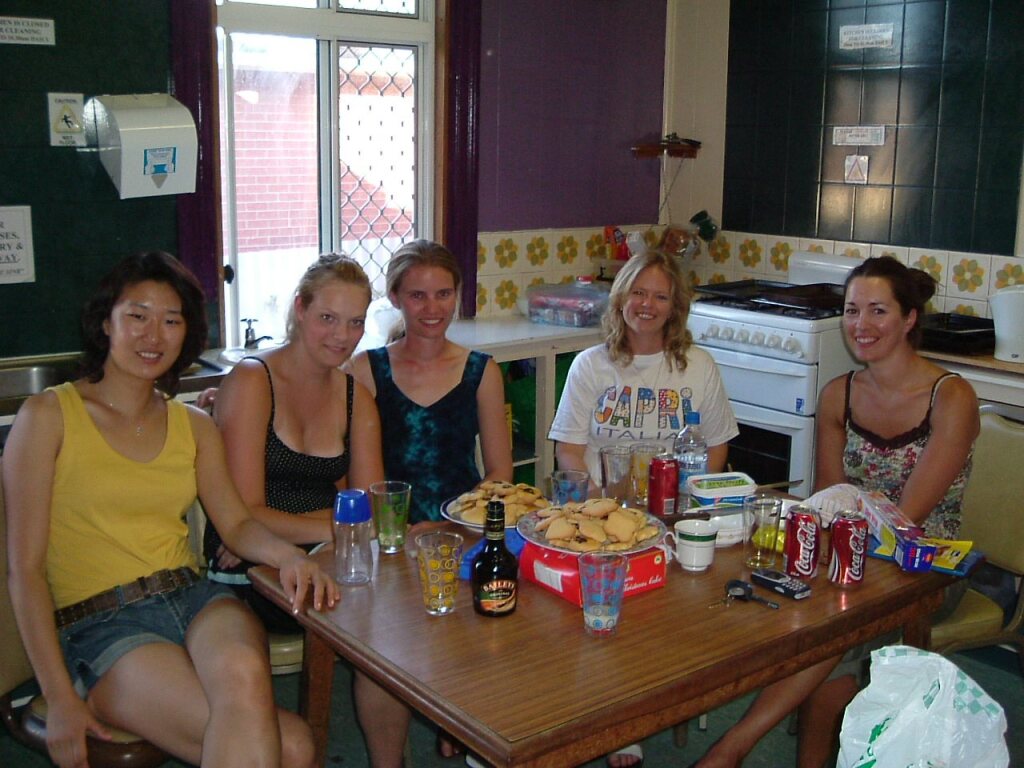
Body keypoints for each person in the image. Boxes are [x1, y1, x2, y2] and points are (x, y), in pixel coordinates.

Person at [3, 251, 339, 768]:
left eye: (171, 320)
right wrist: (59, 694)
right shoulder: (49, 415)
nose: (153, 335)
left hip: (194, 598)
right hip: (101, 621)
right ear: (105, 322)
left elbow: (237, 523)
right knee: (292, 747)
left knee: (252, 689)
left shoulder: (193, 425)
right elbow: (24, 571)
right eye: (137, 316)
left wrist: (289, 556)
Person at [695, 255, 979, 768]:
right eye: (851, 310)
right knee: (779, 602)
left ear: (909, 318)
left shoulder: (951, 397)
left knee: (828, 635)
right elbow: (830, 502)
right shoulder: (838, 395)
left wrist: (833, 560)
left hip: (925, 568)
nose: (860, 324)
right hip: (849, 557)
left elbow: (906, 520)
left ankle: (732, 747)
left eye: (878, 311)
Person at [548, 249, 739, 768]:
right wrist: (600, 509)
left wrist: (692, 504)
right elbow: (569, 450)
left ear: (676, 306)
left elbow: (717, 446)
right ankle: (616, 720)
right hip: (605, 514)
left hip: (675, 513)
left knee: (667, 616)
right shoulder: (592, 365)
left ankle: (644, 708)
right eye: (638, 292)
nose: (647, 304)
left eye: (660, 296)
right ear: (620, 298)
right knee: (605, 612)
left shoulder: (697, 366)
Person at [346, 239, 513, 759]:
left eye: (443, 294)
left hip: (461, 530)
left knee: (491, 626)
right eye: (417, 295)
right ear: (395, 298)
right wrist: (394, 532)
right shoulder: (365, 370)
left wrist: (455, 524)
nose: (432, 307)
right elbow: (355, 475)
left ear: (458, 295)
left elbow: (500, 473)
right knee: (380, 654)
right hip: (390, 535)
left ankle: (458, 715)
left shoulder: (481, 370)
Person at [204, 253, 383, 631]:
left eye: (355, 322)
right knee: (364, 617)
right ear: (300, 308)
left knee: (391, 607)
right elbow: (245, 514)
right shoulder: (253, 381)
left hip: (329, 554)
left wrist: (348, 529)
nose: (342, 336)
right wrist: (341, 527)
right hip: (254, 562)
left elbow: (370, 509)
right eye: (328, 318)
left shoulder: (357, 398)